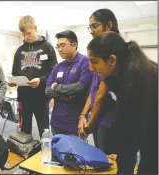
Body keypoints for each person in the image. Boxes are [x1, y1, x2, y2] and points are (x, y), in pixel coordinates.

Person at [87, 31, 158, 174]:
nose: (91, 68)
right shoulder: (114, 74)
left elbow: (140, 130)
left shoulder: (142, 77)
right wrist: (121, 153)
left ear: (112, 60)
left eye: (94, 61)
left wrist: (126, 157)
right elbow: (125, 120)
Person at [78, 8, 119, 154]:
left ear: (108, 26)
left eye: (94, 26)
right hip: (97, 119)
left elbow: (101, 96)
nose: (91, 31)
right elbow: (94, 90)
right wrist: (83, 115)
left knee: (108, 160)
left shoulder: (114, 51)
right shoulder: (99, 51)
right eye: (90, 27)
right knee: (100, 157)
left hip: (109, 120)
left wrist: (89, 125)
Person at [9, 15, 57, 137]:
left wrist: (41, 80)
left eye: (28, 33)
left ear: (35, 28)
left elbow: (54, 71)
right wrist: (15, 81)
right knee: (24, 131)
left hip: (41, 97)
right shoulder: (19, 51)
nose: (26, 37)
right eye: (23, 34)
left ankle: (46, 155)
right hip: (24, 98)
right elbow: (15, 71)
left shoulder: (47, 47)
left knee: (44, 132)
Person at [45, 30, 92, 136]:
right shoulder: (58, 66)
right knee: (57, 151)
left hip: (75, 122)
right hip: (56, 121)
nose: (60, 50)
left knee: (76, 151)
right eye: (58, 46)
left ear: (74, 45)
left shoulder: (85, 62)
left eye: (63, 45)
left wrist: (56, 87)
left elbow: (80, 87)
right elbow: (47, 90)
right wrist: (67, 96)